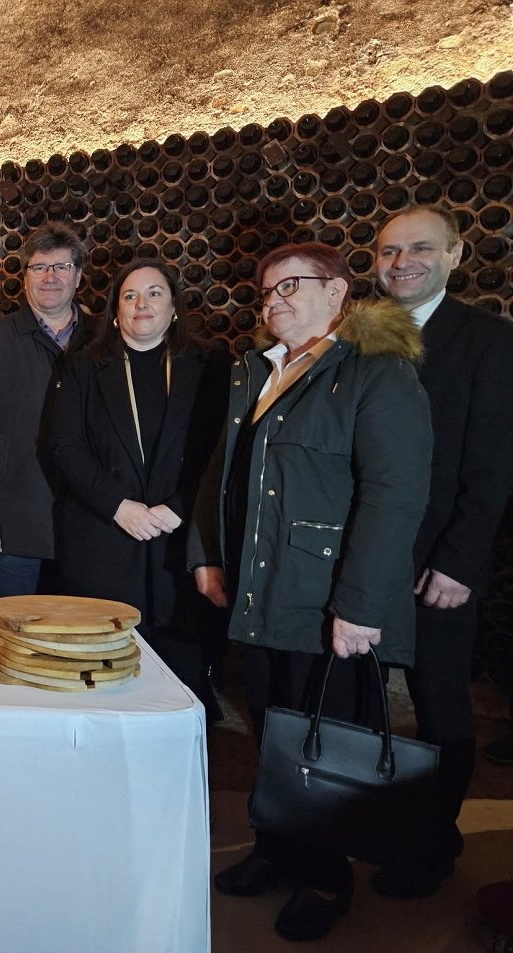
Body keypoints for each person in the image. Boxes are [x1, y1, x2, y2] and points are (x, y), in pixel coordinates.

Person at [190, 242, 432, 941]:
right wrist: (208, 555)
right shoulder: (258, 370)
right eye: (267, 291)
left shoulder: (376, 373)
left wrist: (359, 605)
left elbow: (395, 495)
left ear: (338, 292)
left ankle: (326, 876)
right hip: (263, 590)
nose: (275, 301)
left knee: (324, 742)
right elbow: (223, 472)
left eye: (291, 286)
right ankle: (275, 848)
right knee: (274, 730)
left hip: (327, 601)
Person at [369, 204, 513, 897]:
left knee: (439, 706)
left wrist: (460, 559)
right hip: (365, 559)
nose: (403, 263)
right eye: (389, 252)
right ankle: (363, 823)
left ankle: (432, 844)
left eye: (420, 248)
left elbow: (493, 464)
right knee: (360, 704)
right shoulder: (359, 334)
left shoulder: (490, 341)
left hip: (438, 564)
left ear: (456, 255)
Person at [48, 259, 229, 702]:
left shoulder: (210, 363)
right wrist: (119, 506)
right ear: (115, 312)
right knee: (104, 675)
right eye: (130, 296)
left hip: (180, 538)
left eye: (154, 293)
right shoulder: (83, 367)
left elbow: (221, 450)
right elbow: (65, 447)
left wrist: (179, 507)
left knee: (181, 672)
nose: (141, 304)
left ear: (174, 307)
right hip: (104, 536)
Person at [0, 222, 92, 596]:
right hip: (15, 524)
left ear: (78, 276)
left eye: (61, 267)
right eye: (40, 267)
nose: (50, 277)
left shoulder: (102, 340)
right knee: (16, 626)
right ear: (26, 275)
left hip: (90, 524)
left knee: (80, 627)